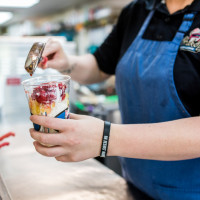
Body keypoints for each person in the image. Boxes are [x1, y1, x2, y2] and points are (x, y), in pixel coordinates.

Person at [29, 0, 200, 199]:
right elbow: (100, 66)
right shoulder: (138, 10)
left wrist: (106, 138)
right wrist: (67, 63)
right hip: (137, 185)